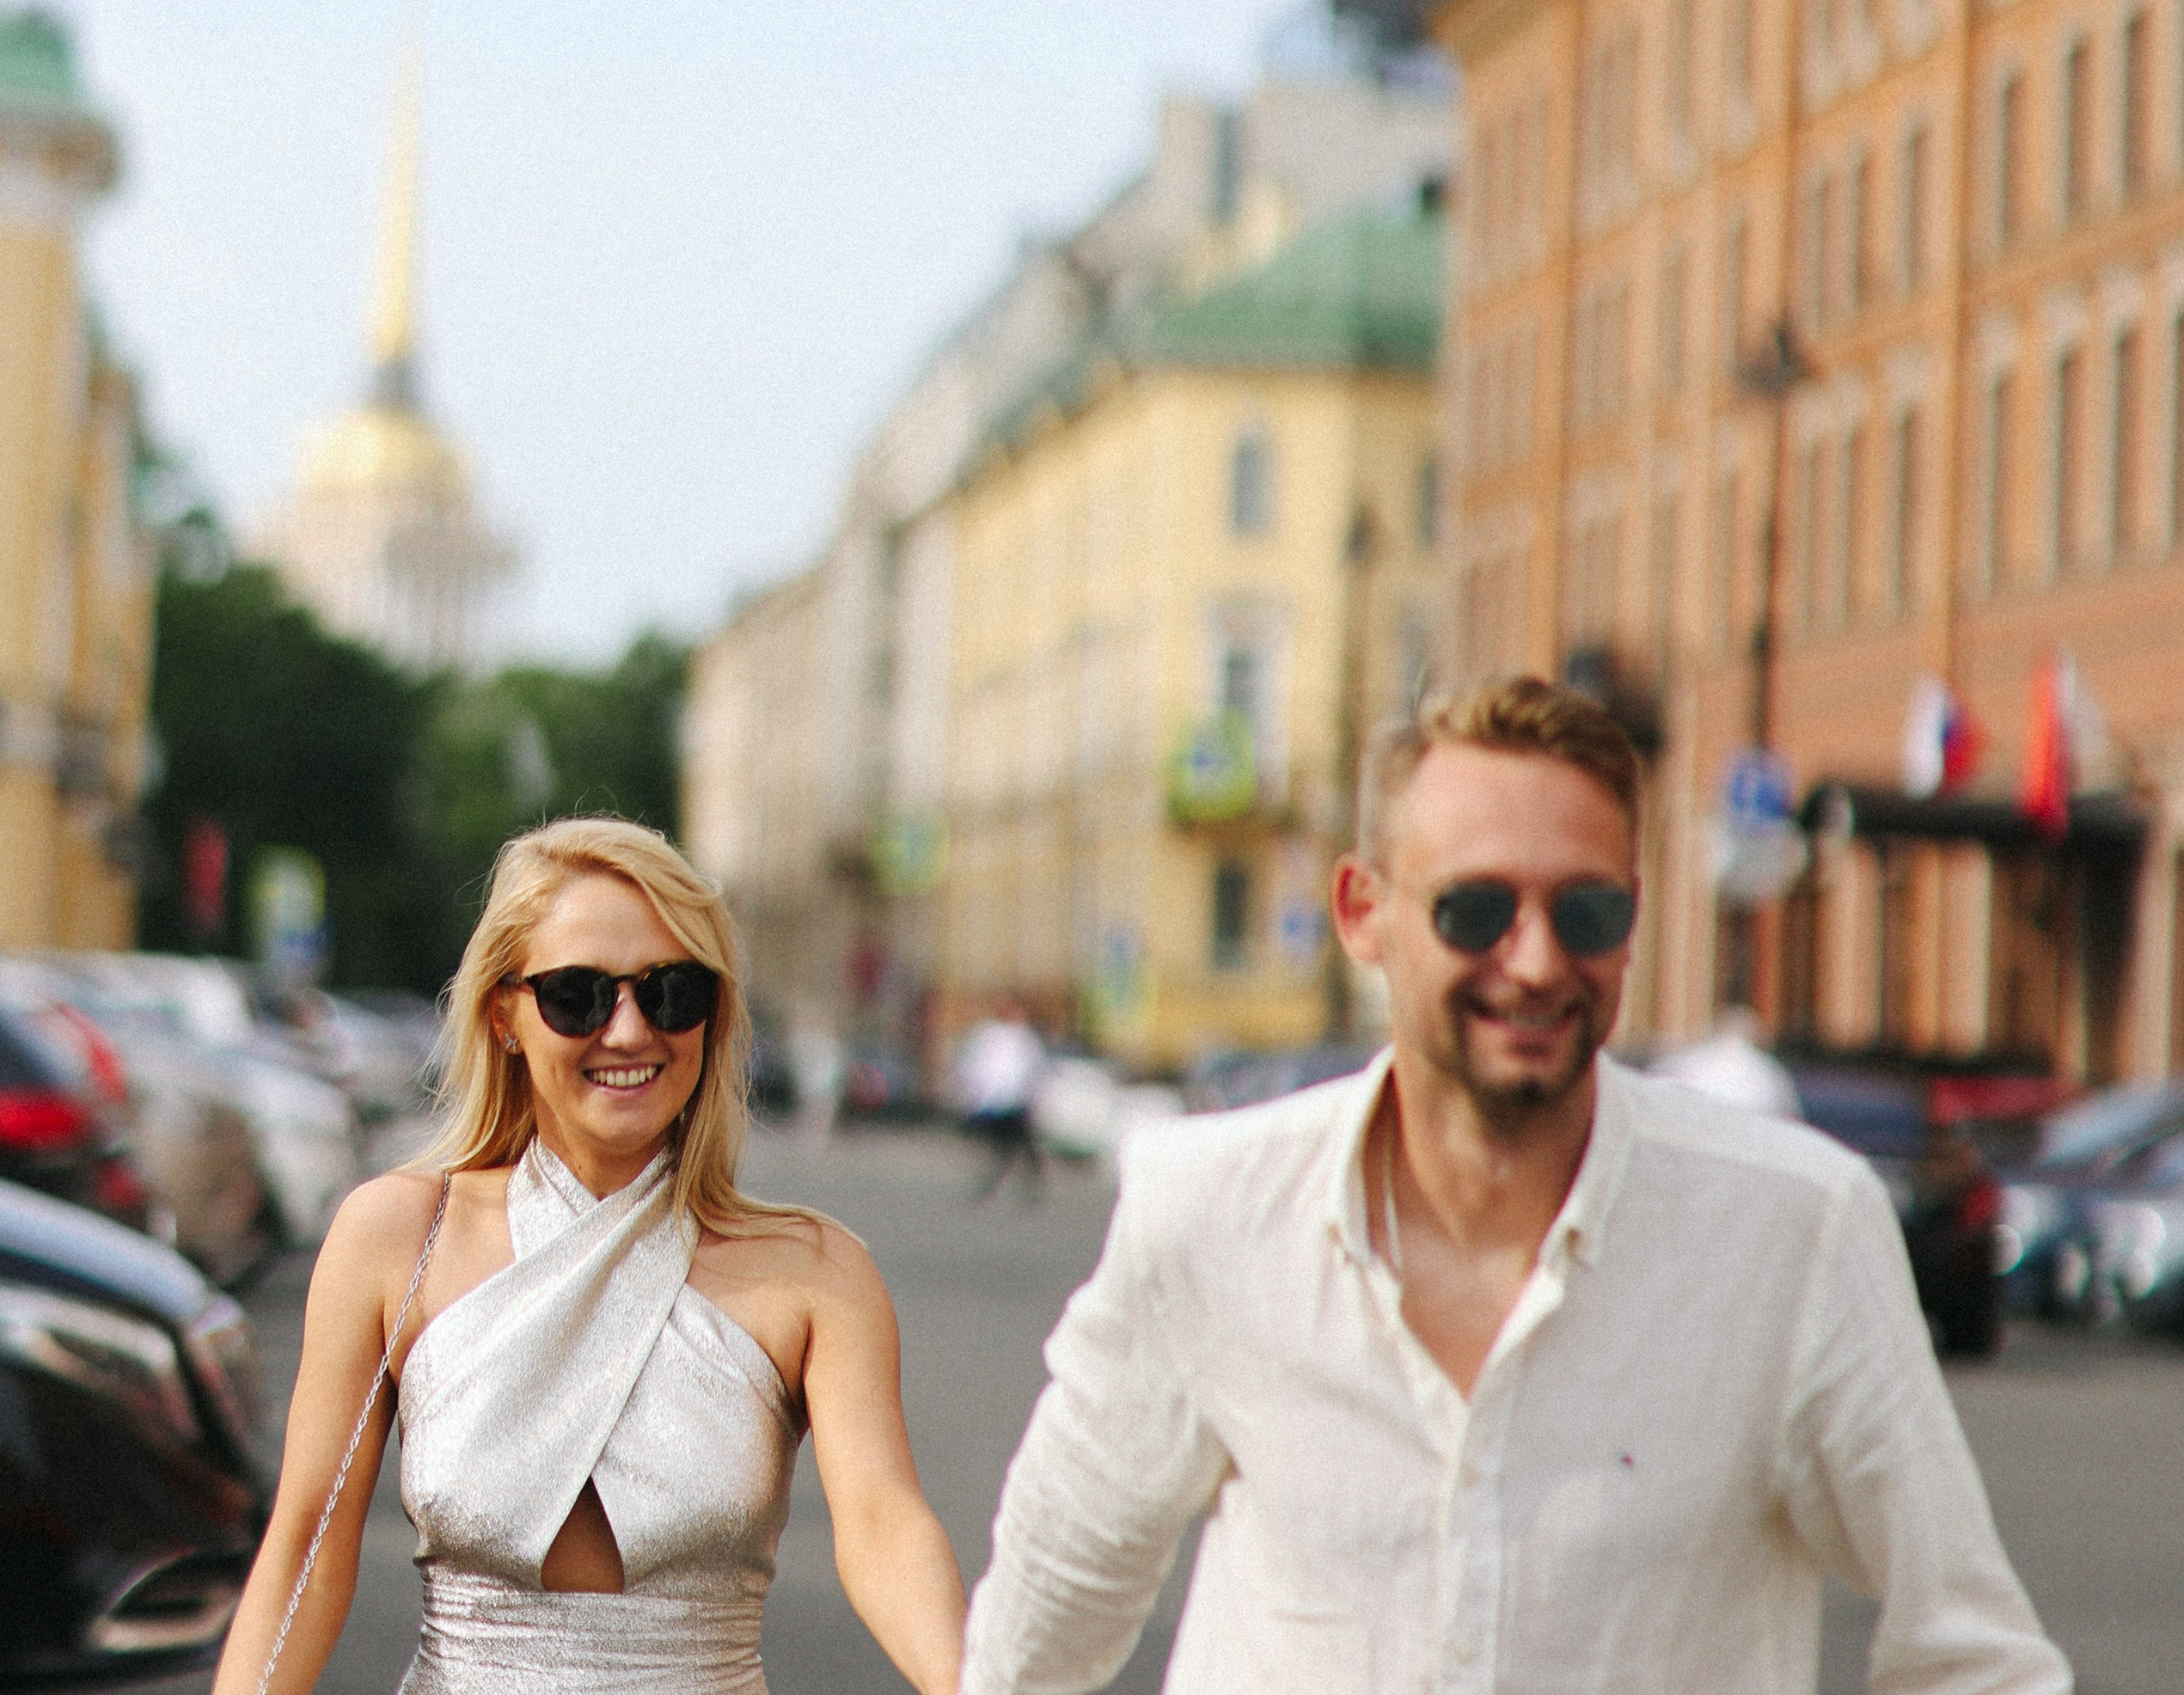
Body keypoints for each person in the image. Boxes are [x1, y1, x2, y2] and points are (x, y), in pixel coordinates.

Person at [963, 675, 2070, 1695]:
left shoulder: (1794, 1230)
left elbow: (1973, 1653)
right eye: (1475, 910)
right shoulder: (1209, 1209)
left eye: (1584, 911)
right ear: (1362, 912)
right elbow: (1041, 1624)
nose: (1535, 960)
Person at [212, 814, 964, 1695]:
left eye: (672, 991)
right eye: (578, 994)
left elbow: (882, 1524)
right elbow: (307, 1539)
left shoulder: (814, 1270)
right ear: (505, 1014)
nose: (630, 1030)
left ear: (714, 1014)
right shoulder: (395, 1235)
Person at [951, 1009, 1049, 1201]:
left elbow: (1034, 1069)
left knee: (1016, 1144)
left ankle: (1024, 1181)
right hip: (994, 1102)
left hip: (1013, 1102)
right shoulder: (991, 1034)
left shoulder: (1023, 1038)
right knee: (1001, 1146)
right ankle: (1000, 1182)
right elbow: (975, 1065)